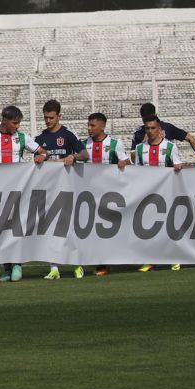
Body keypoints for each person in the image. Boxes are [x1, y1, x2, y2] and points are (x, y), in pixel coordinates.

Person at [0, 106, 46, 283]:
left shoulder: (22, 137)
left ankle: (17, 264)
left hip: (18, 189)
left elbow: (42, 151)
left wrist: (42, 156)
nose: (17, 126)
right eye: (14, 123)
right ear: (4, 121)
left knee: (15, 227)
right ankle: (6, 268)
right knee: (0, 230)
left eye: (18, 123)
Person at [35, 100, 87, 281]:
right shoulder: (40, 138)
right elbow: (36, 159)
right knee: (50, 227)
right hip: (48, 189)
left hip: (68, 188)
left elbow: (84, 155)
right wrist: (39, 157)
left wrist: (73, 156)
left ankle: (77, 264)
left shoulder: (68, 135)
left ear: (59, 116)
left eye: (51, 117)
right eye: (45, 118)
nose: (48, 121)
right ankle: (54, 267)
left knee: (70, 227)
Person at [74, 112, 130, 276]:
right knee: (89, 230)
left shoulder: (114, 143)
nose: (89, 128)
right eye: (88, 125)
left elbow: (127, 161)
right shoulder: (84, 144)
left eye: (93, 125)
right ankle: (93, 263)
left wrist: (123, 162)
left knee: (105, 230)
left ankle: (104, 264)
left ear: (102, 126)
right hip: (89, 194)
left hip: (109, 193)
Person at [132, 117, 183, 273]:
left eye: (153, 128)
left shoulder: (170, 147)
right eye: (147, 128)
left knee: (168, 227)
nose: (150, 131)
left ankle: (174, 258)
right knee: (149, 228)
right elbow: (137, 172)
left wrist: (178, 167)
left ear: (160, 130)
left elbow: (177, 166)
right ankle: (150, 260)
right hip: (148, 194)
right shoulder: (140, 148)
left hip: (167, 193)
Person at [131, 102, 195, 160]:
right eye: (145, 120)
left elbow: (190, 138)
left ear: (156, 115)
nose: (148, 123)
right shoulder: (138, 133)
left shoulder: (168, 127)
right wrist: (143, 144)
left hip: (166, 172)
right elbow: (133, 158)